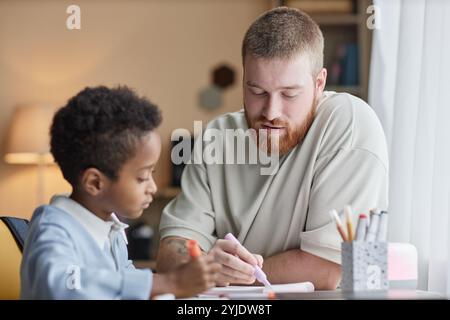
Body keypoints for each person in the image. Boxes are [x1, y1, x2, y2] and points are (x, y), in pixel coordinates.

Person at [156, 7, 388, 290]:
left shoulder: (348, 121)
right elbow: (171, 255)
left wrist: (219, 274)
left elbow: (326, 271)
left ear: (319, 84)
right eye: (257, 92)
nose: (271, 111)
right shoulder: (216, 137)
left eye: (289, 94)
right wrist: (203, 267)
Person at [20, 86, 220, 299]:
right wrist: (169, 282)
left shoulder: (111, 228)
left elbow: (126, 285)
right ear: (95, 183)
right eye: (142, 177)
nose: (152, 187)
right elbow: (62, 284)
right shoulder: (53, 228)